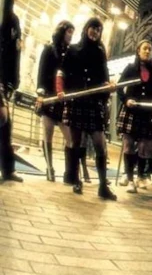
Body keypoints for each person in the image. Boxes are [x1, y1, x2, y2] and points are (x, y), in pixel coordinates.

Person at [55, 17, 116, 199]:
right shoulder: (73, 50)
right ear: (86, 28)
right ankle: (77, 180)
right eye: (93, 28)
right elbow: (62, 72)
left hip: (94, 102)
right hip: (77, 101)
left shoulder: (100, 52)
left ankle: (103, 186)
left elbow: (104, 77)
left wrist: (108, 85)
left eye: (98, 29)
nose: (95, 32)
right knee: (76, 143)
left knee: (100, 144)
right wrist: (60, 90)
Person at [117, 40, 152, 195]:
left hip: (146, 112)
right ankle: (130, 180)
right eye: (145, 49)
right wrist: (126, 100)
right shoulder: (130, 68)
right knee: (128, 145)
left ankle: (151, 181)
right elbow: (120, 87)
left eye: (150, 49)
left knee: (148, 148)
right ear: (138, 51)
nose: (147, 51)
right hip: (131, 110)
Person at [36, 21, 75, 183]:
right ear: (62, 32)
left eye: (72, 32)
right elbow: (42, 72)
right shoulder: (49, 49)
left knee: (70, 137)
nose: (71, 35)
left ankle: (69, 172)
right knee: (48, 134)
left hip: (64, 98)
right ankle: (49, 167)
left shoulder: (71, 52)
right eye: (69, 32)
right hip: (49, 96)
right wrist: (40, 94)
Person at [0, 0, 21, 182]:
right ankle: (7, 168)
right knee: (3, 119)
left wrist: (12, 81)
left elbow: (15, 52)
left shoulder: (12, 17)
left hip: (4, 77)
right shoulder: (5, 7)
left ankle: (8, 168)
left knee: (5, 123)